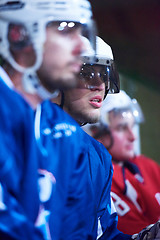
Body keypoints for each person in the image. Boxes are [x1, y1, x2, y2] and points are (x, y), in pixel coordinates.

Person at [0, 0, 96, 239]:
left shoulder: (69, 135)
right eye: (65, 29)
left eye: (82, 32)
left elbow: (76, 232)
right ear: (18, 34)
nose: (81, 46)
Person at [53, 36, 160, 240]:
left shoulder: (98, 155)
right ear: (56, 76)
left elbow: (103, 235)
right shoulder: (24, 131)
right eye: (88, 73)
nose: (100, 85)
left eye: (104, 75)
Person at [87, 90, 160, 235]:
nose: (133, 137)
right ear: (97, 132)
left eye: (132, 127)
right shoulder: (99, 176)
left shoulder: (148, 166)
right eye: (121, 128)